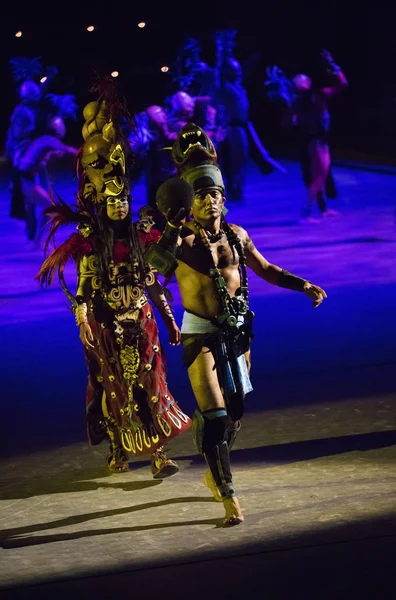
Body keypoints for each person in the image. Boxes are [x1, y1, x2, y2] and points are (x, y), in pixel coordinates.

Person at [147, 163, 327, 525]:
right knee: (214, 417)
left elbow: (265, 268)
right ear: (189, 204)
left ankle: (214, 471)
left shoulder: (237, 236)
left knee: (233, 415)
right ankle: (229, 496)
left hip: (239, 332)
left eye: (215, 194)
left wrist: (302, 284)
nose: (210, 201)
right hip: (202, 335)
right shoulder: (182, 240)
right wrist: (169, 228)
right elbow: (152, 268)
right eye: (201, 196)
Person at [36, 87, 191, 477]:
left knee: (153, 388)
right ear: (103, 204)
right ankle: (120, 449)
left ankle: (159, 455)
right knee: (115, 390)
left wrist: (170, 318)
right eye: (112, 200)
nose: (119, 205)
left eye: (124, 199)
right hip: (107, 326)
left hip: (142, 322)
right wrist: (84, 320)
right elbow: (84, 291)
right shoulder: (91, 245)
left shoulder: (143, 238)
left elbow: (154, 283)